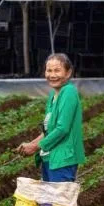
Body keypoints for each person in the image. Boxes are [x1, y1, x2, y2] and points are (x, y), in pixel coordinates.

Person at [15, 53, 85, 182]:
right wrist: (31, 144)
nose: (52, 75)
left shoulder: (68, 92)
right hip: (49, 158)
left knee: (58, 200)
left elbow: (62, 128)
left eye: (57, 70)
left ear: (68, 73)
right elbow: (49, 130)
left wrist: (36, 147)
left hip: (63, 159)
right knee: (49, 200)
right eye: (49, 70)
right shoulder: (53, 94)